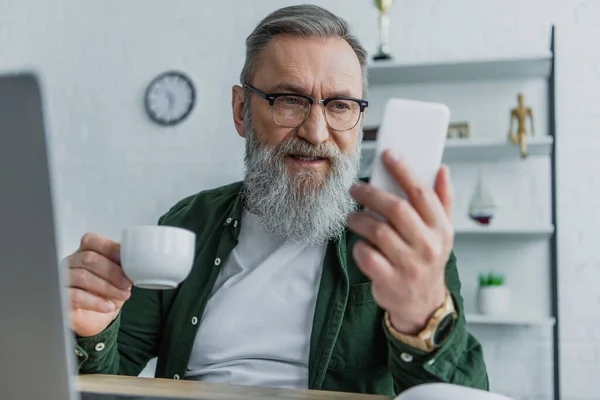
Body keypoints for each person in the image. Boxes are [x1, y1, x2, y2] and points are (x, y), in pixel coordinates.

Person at [66, 4, 488, 396]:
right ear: (240, 110)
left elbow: (461, 393)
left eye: (340, 105)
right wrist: (90, 326)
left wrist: (423, 319)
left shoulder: (400, 241)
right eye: (289, 101)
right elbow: (105, 381)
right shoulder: (188, 222)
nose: (316, 132)